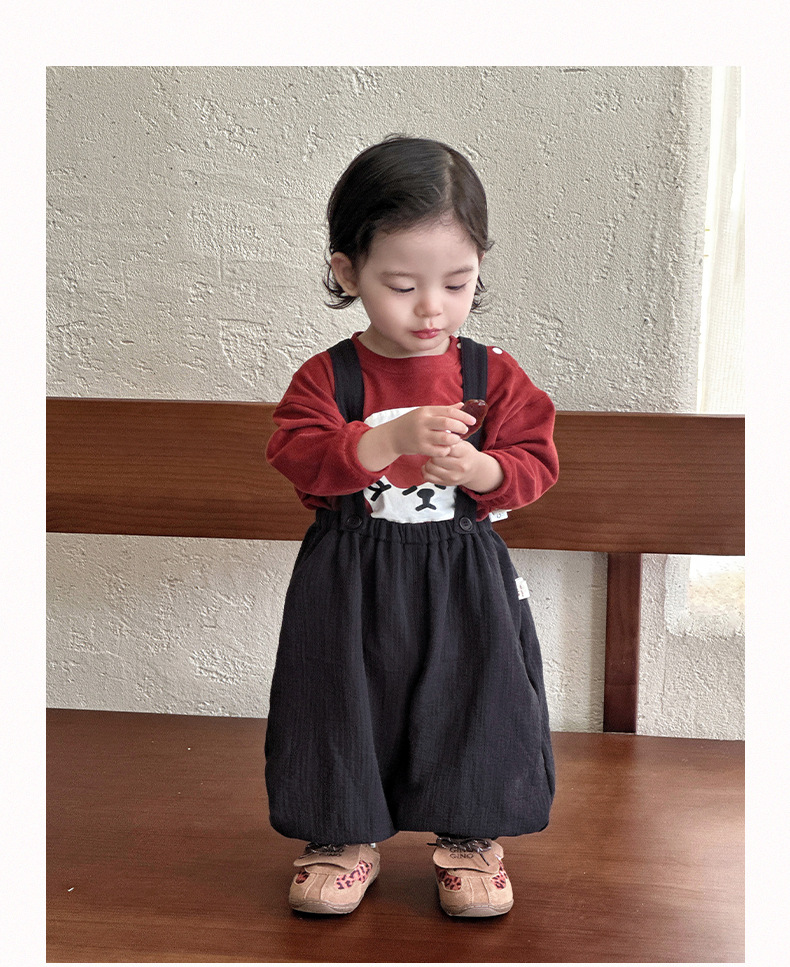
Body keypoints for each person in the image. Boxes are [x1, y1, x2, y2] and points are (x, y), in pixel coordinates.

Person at [265, 135, 559, 918]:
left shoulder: (491, 373)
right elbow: (297, 455)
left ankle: (469, 837)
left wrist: (481, 470)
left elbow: (535, 460)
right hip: (349, 573)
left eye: (457, 282)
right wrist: (386, 438)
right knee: (338, 697)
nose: (432, 307)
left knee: (476, 694)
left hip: (462, 571)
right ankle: (341, 835)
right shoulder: (330, 377)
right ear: (347, 272)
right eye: (402, 285)